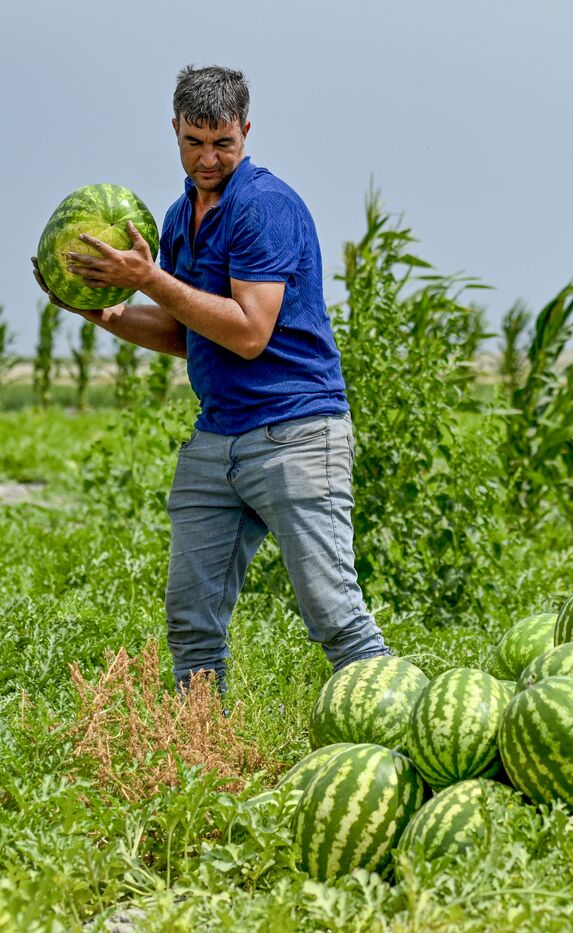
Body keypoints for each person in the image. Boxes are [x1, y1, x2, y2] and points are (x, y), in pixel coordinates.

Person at [31, 64, 390, 690]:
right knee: (191, 623)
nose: (208, 158)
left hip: (296, 432)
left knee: (335, 616)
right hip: (218, 436)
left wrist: (148, 279)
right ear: (174, 129)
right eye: (194, 142)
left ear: (246, 131)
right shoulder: (175, 220)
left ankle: (403, 736)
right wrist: (102, 311)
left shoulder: (265, 206)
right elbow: (187, 330)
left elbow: (249, 333)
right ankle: (205, 758)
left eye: (223, 143)